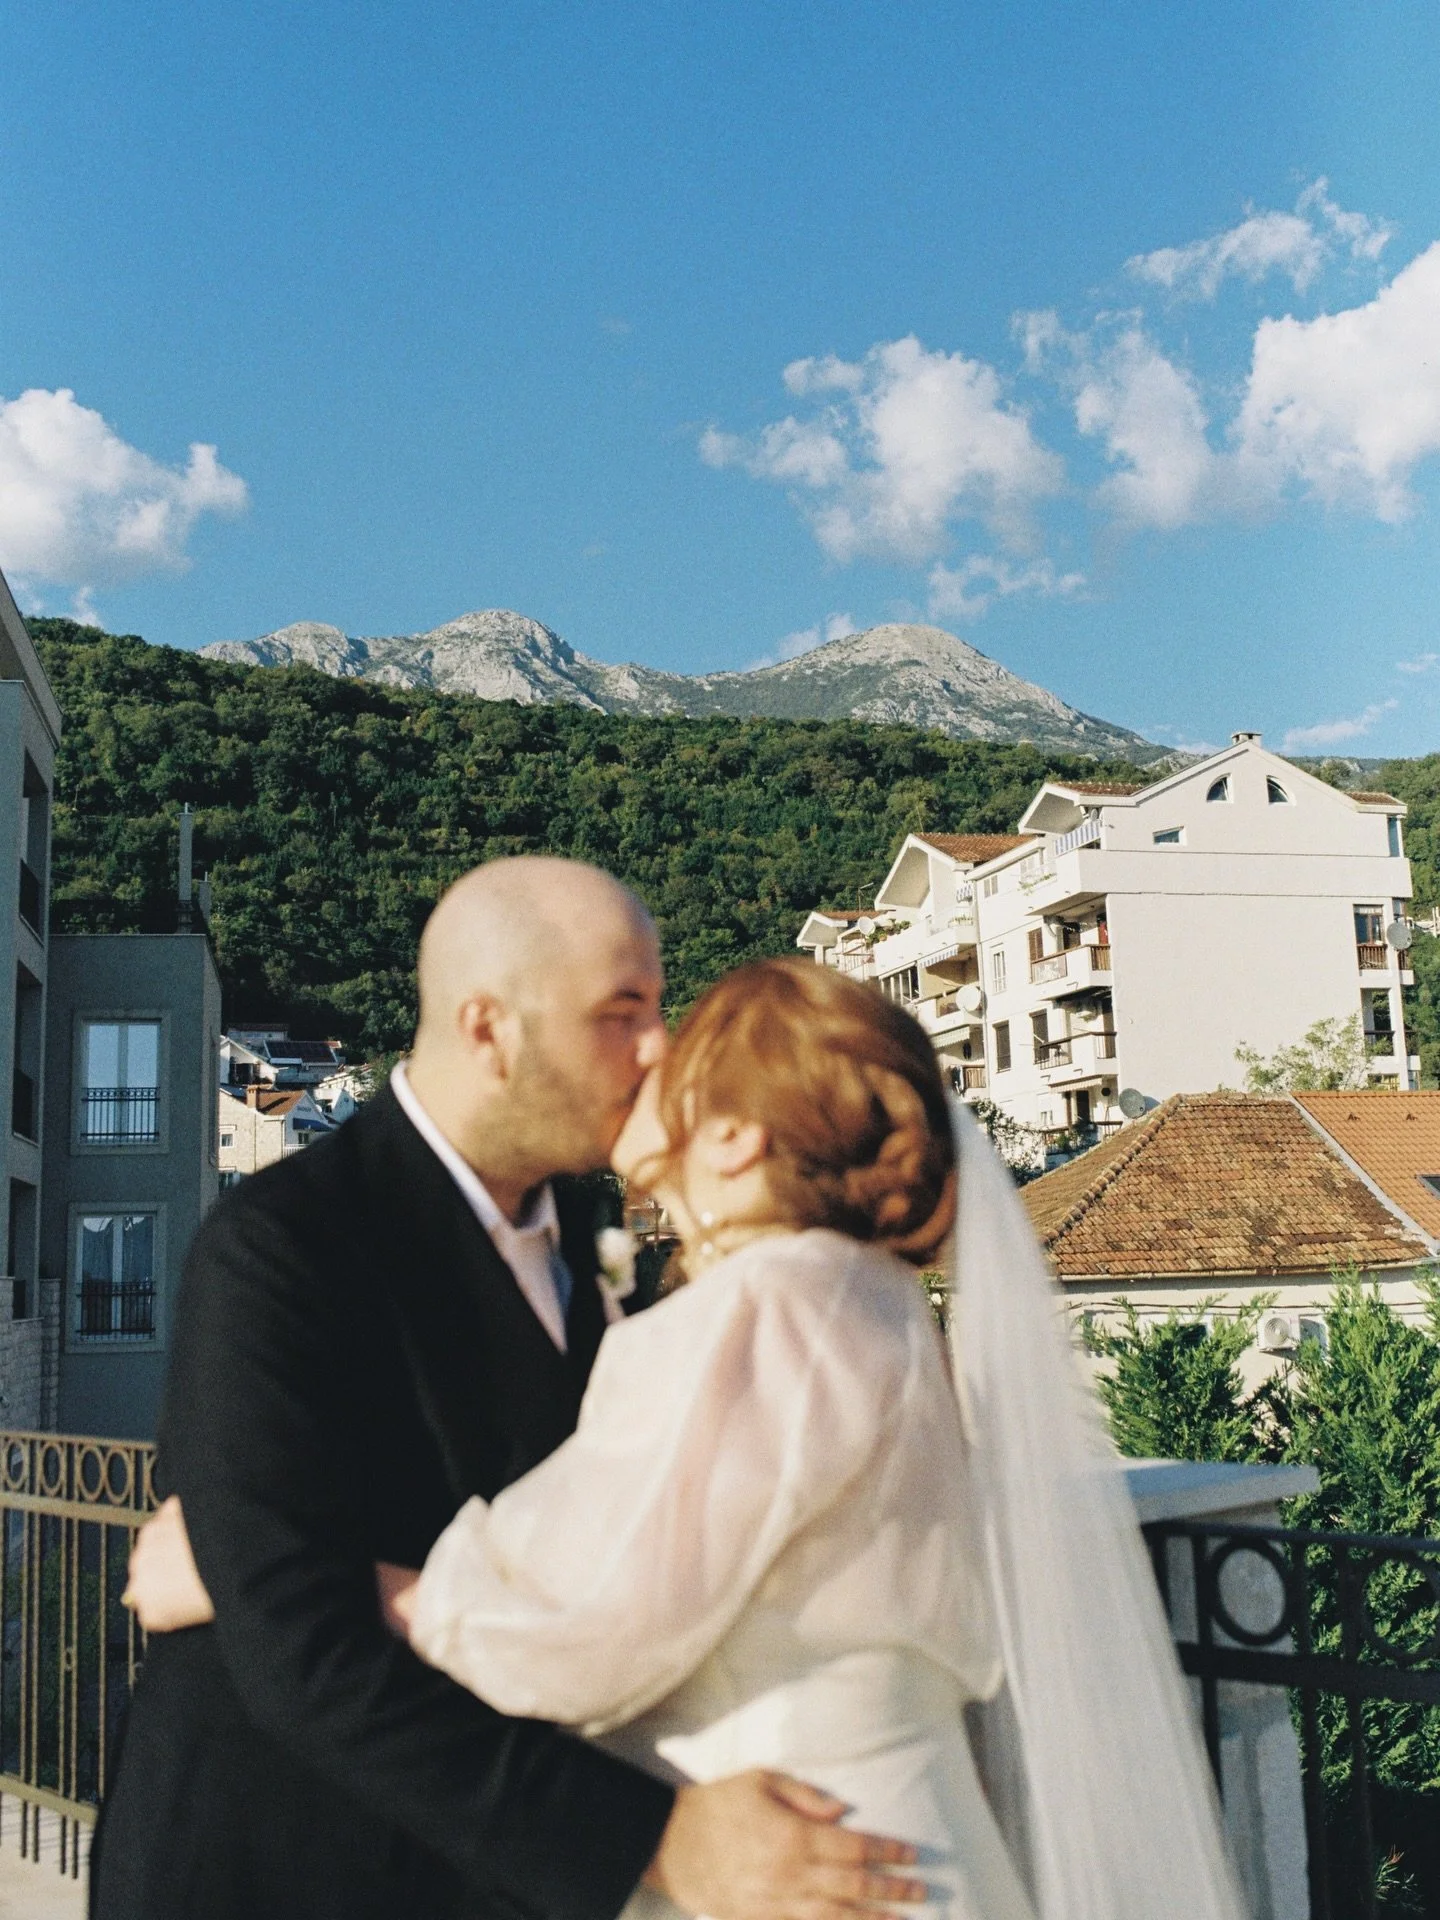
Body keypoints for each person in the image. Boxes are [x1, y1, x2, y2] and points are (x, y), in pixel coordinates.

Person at [95, 863, 927, 1920]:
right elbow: (300, 1652)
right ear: (489, 1030)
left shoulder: (591, 1240)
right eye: (622, 1012)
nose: (662, 1047)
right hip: (296, 1871)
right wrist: (656, 1841)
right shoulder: (282, 1248)